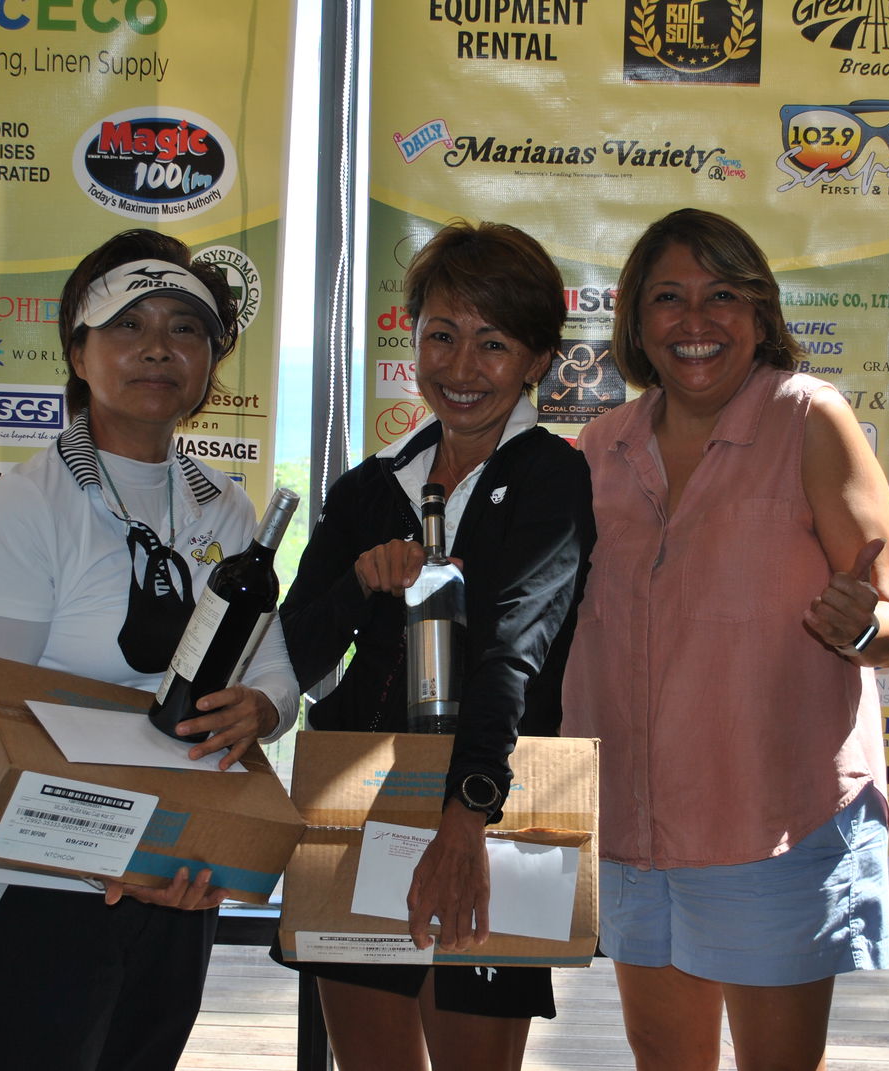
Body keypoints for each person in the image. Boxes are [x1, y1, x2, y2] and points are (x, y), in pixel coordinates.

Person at [0, 228, 299, 1071]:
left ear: (211, 359)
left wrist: (262, 706)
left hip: (180, 876)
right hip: (43, 887)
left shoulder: (226, 511)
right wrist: (107, 858)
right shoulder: (28, 509)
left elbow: (273, 669)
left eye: (185, 328)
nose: (158, 349)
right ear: (78, 349)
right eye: (128, 325)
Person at [562, 208, 889, 1071]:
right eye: (669, 298)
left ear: (760, 313)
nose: (696, 320)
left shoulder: (808, 418)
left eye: (722, 296)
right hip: (635, 827)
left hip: (773, 825)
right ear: (637, 324)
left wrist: (861, 623)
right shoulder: (597, 449)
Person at [276, 220, 594, 1070]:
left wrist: (465, 820)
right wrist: (359, 583)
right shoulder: (367, 490)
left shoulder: (552, 479)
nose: (460, 369)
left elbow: (515, 653)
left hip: (495, 812)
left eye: (493, 344)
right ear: (411, 338)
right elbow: (296, 659)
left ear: (535, 361)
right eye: (442, 337)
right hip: (360, 797)